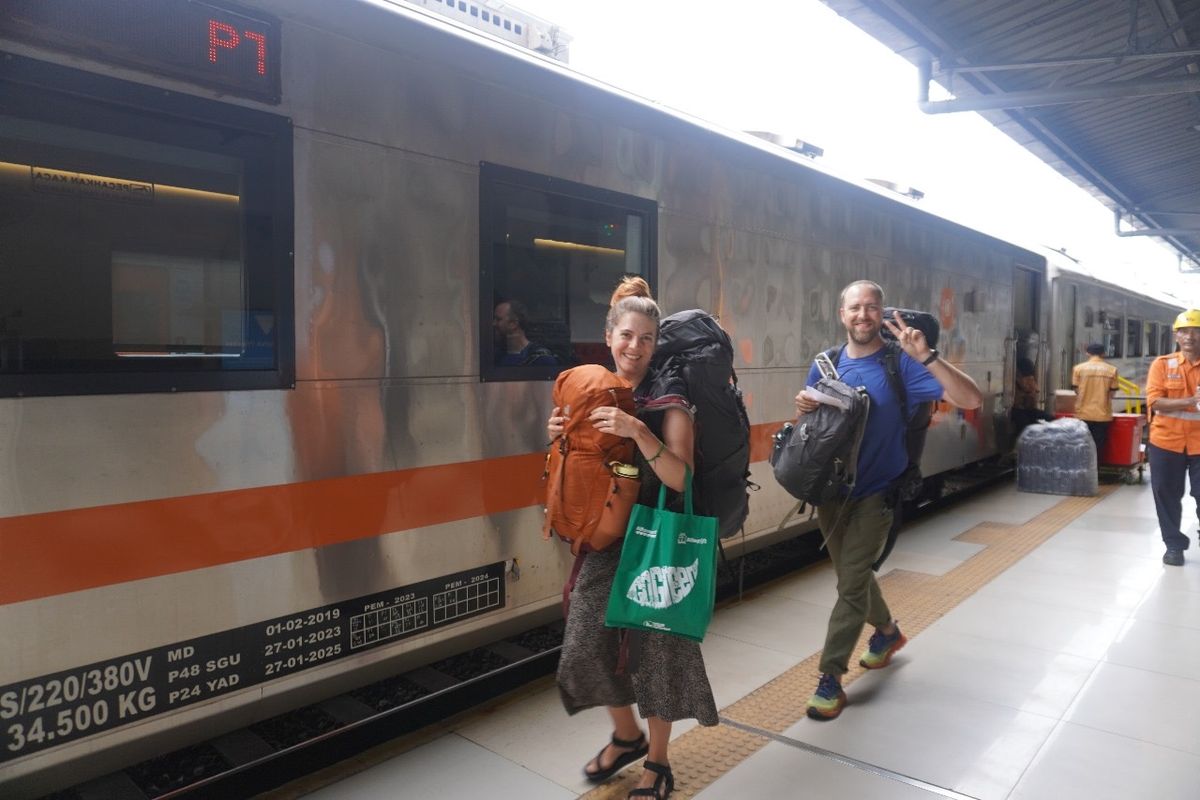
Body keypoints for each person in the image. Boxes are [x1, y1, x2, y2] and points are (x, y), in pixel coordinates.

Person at [546, 276, 715, 799]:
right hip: (607, 537)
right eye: (626, 335)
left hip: (658, 538)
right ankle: (626, 735)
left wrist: (638, 430)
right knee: (581, 645)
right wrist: (561, 437)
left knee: (658, 652)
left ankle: (659, 763)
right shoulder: (592, 389)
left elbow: (682, 479)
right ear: (609, 335)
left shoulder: (670, 400)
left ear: (656, 342)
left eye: (645, 338)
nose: (634, 347)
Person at [795, 280, 982, 720]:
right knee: (852, 575)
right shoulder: (825, 364)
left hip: (878, 491)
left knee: (850, 581)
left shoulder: (903, 365)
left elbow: (971, 399)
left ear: (882, 314)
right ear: (841, 314)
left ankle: (830, 676)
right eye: (855, 308)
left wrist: (928, 357)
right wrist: (802, 409)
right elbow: (813, 428)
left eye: (871, 308)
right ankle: (886, 632)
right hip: (832, 491)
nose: (863, 315)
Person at [1145, 309, 1200, 567]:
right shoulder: (1162, 364)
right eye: (1185, 331)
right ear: (1176, 335)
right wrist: (1191, 400)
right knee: (1166, 494)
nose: (1190, 336)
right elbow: (1155, 401)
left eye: (1196, 331)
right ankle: (1173, 546)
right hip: (1166, 442)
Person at [1071, 343, 1120, 459]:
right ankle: (1095, 472)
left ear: (1087, 353)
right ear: (1103, 353)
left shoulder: (1078, 369)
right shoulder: (1112, 370)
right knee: (1098, 446)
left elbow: (1076, 390)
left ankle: (1081, 470)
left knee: (1081, 444)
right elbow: (1112, 393)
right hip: (1102, 415)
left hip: (1082, 413)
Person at [493, 299, 557, 366]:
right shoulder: (495, 357)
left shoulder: (542, 359)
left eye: (498, 319)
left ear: (513, 323)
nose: (493, 324)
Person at [1010, 356, 1054, 442]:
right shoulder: (1013, 380)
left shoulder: (1029, 378)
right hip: (1016, 410)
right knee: (1024, 424)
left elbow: (1035, 391)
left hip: (1029, 409)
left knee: (1049, 417)